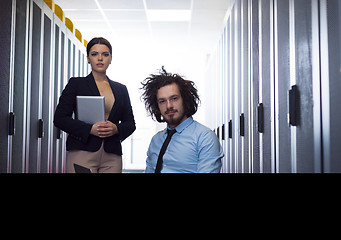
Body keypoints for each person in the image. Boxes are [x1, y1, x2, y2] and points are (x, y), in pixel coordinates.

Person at [54, 37, 136, 173]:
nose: (100, 58)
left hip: (112, 155)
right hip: (82, 151)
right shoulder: (76, 84)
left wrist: (116, 129)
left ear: (111, 58)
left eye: (105, 54)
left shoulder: (121, 89)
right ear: (88, 58)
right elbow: (60, 119)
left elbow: (130, 123)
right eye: (94, 54)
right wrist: (89, 129)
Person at [141, 67, 223, 173]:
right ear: (157, 106)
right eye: (162, 101)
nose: (169, 106)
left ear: (185, 100)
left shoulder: (205, 138)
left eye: (174, 98)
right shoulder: (155, 140)